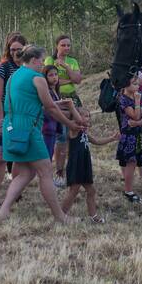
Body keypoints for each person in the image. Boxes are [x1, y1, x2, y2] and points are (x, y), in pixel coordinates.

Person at [0, 45, 81, 223]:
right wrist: (70, 123)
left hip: (12, 126)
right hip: (28, 128)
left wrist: (62, 105)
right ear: (34, 60)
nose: (43, 64)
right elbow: (49, 107)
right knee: (45, 171)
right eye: (42, 61)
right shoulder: (37, 78)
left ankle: (3, 211)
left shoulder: (14, 76)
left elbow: (37, 104)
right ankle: (60, 216)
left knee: (26, 173)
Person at [60, 106, 118, 224]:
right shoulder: (74, 129)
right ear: (76, 117)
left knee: (91, 191)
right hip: (76, 164)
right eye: (85, 116)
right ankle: (61, 216)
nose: (88, 118)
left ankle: (93, 216)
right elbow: (75, 118)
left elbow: (96, 141)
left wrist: (111, 138)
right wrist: (72, 107)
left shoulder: (83, 131)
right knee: (73, 191)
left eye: (89, 116)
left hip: (85, 164)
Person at [0, 33, 25, 204]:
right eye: (12, 49)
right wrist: (0, 119)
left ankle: (16, 191)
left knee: (18, 156)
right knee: (2, 156)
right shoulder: (3, 67)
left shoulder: (27, 67)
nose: (15, 52)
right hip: (8, 117)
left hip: (23, 117)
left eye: (19, 49)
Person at [43, 35, 83, 187]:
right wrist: (69, 78)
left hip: (73, 98)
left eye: (68, 45)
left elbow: (78, 80)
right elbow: (48, 78)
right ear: (57, 46)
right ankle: (59, 172)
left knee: (76, 133)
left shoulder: (72, 61)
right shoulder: (49, 60)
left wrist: (66, 68)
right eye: (63, 45)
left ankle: (73, 168)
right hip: (57, 98)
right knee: (62, 135)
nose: (66, 48)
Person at [116, 75, 142, 203]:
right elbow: (135, 116)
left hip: (137, 134)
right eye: (134, 84)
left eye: (137, 83)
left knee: (134, 163)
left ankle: (129, 187)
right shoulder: (123, 99)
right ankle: (128, 190)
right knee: (131, 162)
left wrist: (138, 123)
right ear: (125, 85)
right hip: (129, 136)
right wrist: (138, 102)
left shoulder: (135, 97)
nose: (137, 86)